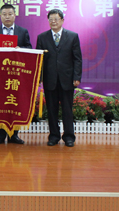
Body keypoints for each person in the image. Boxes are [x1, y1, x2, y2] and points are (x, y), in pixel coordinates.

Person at [0, 3, 32, 145]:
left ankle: (14, 135)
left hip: (16, 75)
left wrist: (19, 49)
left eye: (10, 14)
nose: (7, 17)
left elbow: (29, 49)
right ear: (0, 16)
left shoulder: (22, 32)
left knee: (14, 102)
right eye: (4, 14)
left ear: (14, 15)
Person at [36, 9, 82, 148]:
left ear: (62, 20)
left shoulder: (72, 36)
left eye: (56, 19)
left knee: (67, 110)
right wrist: (39, 77)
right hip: (49, 79)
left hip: (67, 79)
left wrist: (76, 77)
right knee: (51, 110)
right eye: (50, 19)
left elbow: (77, 59)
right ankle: (54, 136)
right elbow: (39, 59)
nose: (53, 22)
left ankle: (69, 137)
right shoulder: (42, 37)